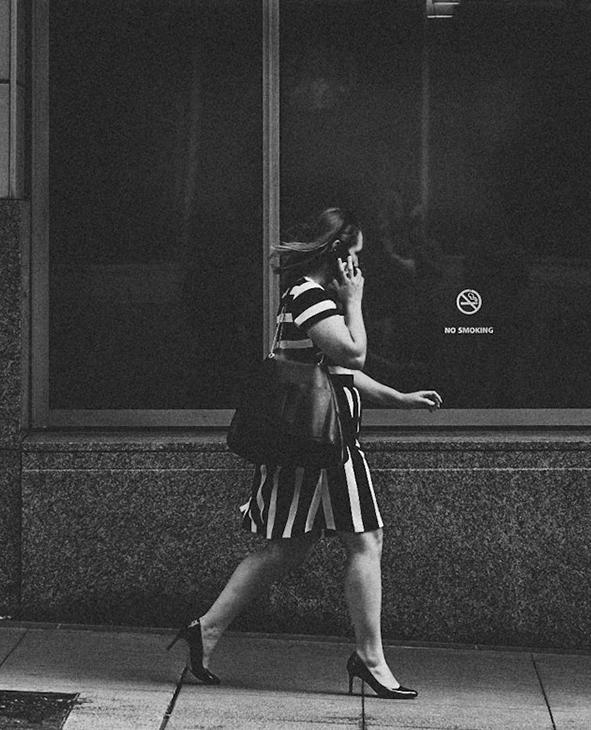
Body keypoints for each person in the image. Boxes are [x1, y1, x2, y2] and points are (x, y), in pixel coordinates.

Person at [180, 207, 443, 699]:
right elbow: (352, 354)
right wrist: (355, 301)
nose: (359, 268)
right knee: (364, 541)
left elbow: (340, 373)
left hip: (318, 443)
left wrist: (400, 398)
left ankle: (206, 629)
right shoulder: (309, 296)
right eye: (356, 256)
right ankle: (369, 659)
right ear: (337, 255)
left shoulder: (312, 298)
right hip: (323, 446)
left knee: (288, 546)